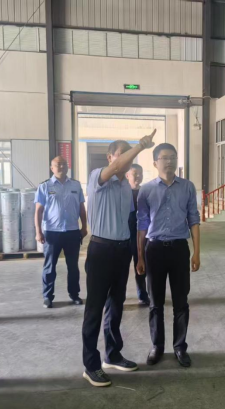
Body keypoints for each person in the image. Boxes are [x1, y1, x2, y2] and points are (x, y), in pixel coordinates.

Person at [82, 131, 157, 388]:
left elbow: (129, 222)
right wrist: (139, 146)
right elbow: (116, 168)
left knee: (116, 305)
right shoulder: (97, 177)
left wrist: (136, 253)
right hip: (100, 250)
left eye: (128, 154)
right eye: (121, 154)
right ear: (110, 157)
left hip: (121, 250)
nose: (126, 159)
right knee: (94, 309)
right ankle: (90, 365)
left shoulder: (126, 186)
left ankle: (112, 355)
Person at [136, 143, 201, 368]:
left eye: (173, 157)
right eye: (164, 158)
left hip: (179, 249)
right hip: (154, 250)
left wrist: (196, 252)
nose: (169, 161)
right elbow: (142, 224)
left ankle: (180, 346)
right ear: (155, 163)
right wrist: (140, 256)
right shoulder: (146, 190)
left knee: (181, 302)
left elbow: (194, 219)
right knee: (155, 303)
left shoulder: (187, 187)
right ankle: (157, 346)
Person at [35, 156, 88, 309]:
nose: (61, 166)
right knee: (49, 266)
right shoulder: (45, 186)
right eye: (58, 164)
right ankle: (48, 296)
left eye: (64, 164)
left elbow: (81, 208)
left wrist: (84, 227)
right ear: (52, 168)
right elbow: (38, 211)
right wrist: (38, 231)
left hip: (72, 232)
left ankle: (74, 294)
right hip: (52, 233)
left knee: (73, 266)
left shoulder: (76, 185)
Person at [126, 164, 150, 306]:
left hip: (141, 234)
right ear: (128, 175)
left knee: (141, 264)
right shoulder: (123, 192)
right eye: (135, 173)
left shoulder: (145, 192)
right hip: (125, 235)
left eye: (140, 173)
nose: (138, 176)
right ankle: (119, 295)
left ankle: (142, 293)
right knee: (122, 267)